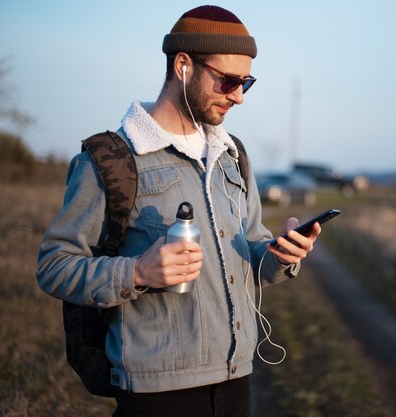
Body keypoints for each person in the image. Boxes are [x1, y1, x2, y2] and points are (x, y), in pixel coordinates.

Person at [36, 5, 322, 417]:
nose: (238, 97)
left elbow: (252, 254)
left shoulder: (232, 155)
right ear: (183, 66)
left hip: (236, 381)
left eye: (247, 83)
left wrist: (279, 255)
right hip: (157, 394)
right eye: (228, 81)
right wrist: (138, 272)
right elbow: (54, 266)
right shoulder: (110, 160)